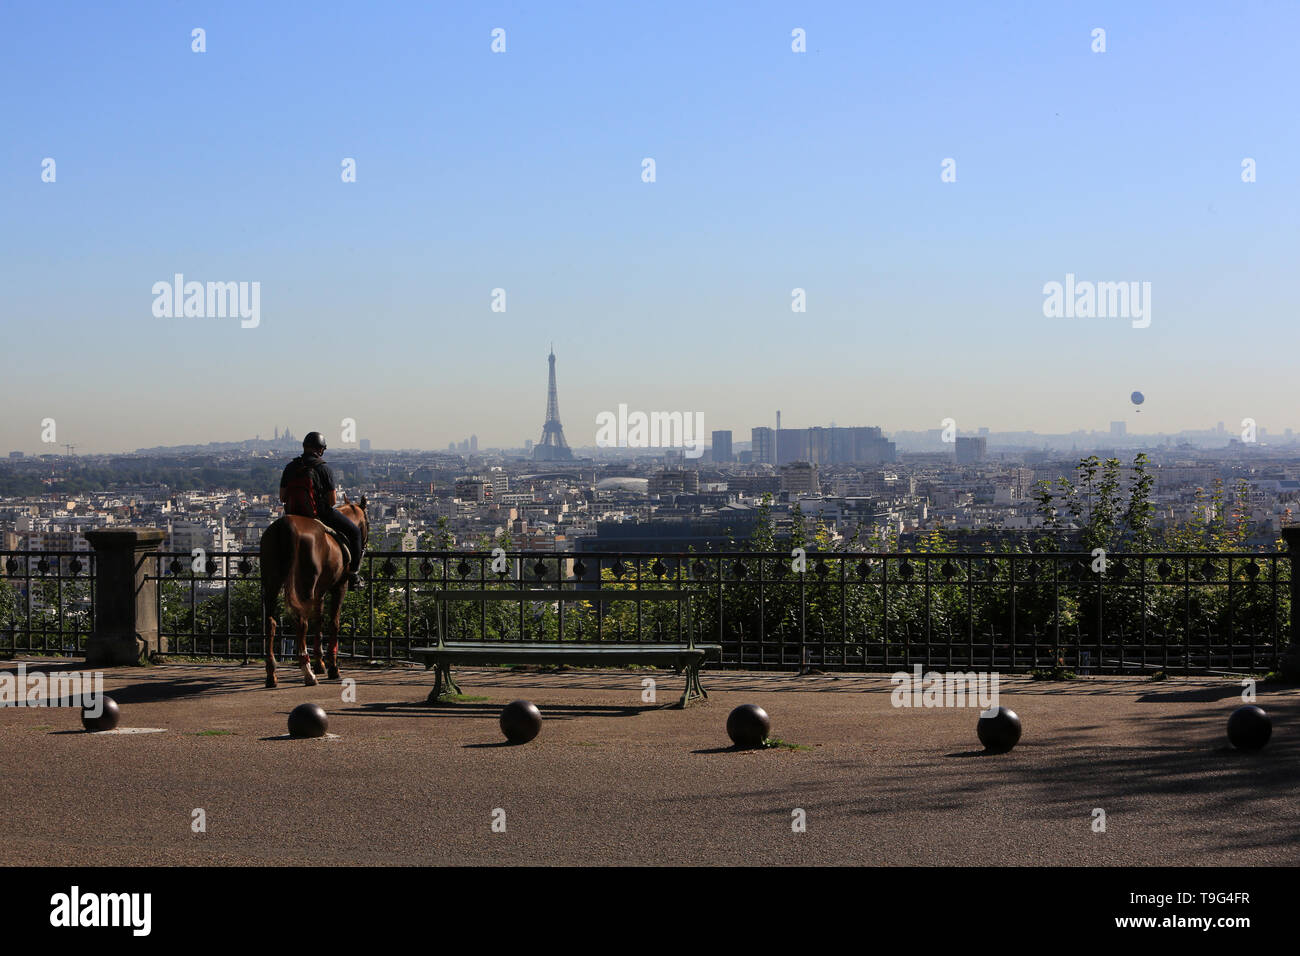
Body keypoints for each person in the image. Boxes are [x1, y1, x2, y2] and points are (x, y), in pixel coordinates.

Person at [279, 431, 363, 588]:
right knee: (355, 532)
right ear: (321, 449)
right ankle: (353, 575)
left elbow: (282, 497)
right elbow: (331, 501)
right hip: (320, 514)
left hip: (292, 514)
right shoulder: (323, 468)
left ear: (305, 447)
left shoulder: (291, 467)